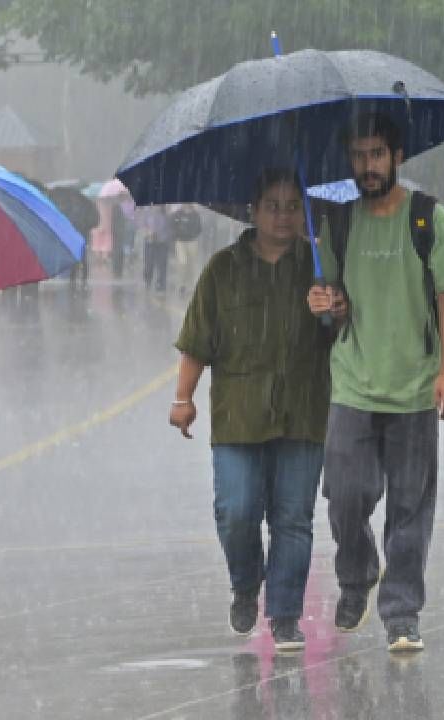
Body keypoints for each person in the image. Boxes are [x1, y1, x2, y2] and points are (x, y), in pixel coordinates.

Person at [307, 112, 444, 653]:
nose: (367, 165)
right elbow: (328, 300)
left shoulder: (429, 219)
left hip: (414, 387)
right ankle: (357, 575)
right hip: (352, 384)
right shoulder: (339, 223)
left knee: (410, 508)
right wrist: (326, 304)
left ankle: (402, 612)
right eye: (358, 155)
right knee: (345, 496)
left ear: (397, 157)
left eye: (376, 154)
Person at [170, 169, 331, 652]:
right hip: (239, 416)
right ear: (253, 211)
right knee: (236, 512)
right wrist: (183, 399)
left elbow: (344, 334)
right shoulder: (223, 269)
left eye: (291, 206)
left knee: (293, 519)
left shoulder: (321, 266)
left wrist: (335, 308)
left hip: (303, 412)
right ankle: (245, 583)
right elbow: (196, 342)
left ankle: (284, 614)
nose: (283, 216)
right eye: (273, 205)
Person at [168, 203, 204, 295]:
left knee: (191, 265)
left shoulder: (195, 214)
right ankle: (181, 285)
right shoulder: (177, 214)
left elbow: (199, 228)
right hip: (180, 242)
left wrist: (193, 234)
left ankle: (190, 285)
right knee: (182, 263)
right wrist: (177, 234)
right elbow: (172, 226)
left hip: (192, 242)